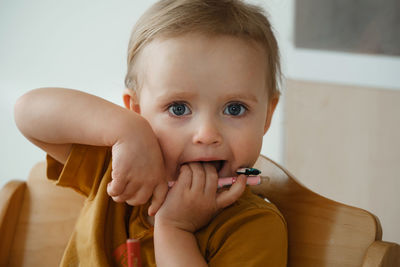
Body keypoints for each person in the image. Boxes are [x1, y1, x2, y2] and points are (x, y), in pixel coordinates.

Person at [14, 0, 287, 266]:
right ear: (137, 109)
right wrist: (127, 130)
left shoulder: (253, 226)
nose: (206, 134)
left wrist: (175, 229)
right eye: (178, 108)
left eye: (235, 108)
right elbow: (27, 112)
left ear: (267, 115)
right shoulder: (120, 170)